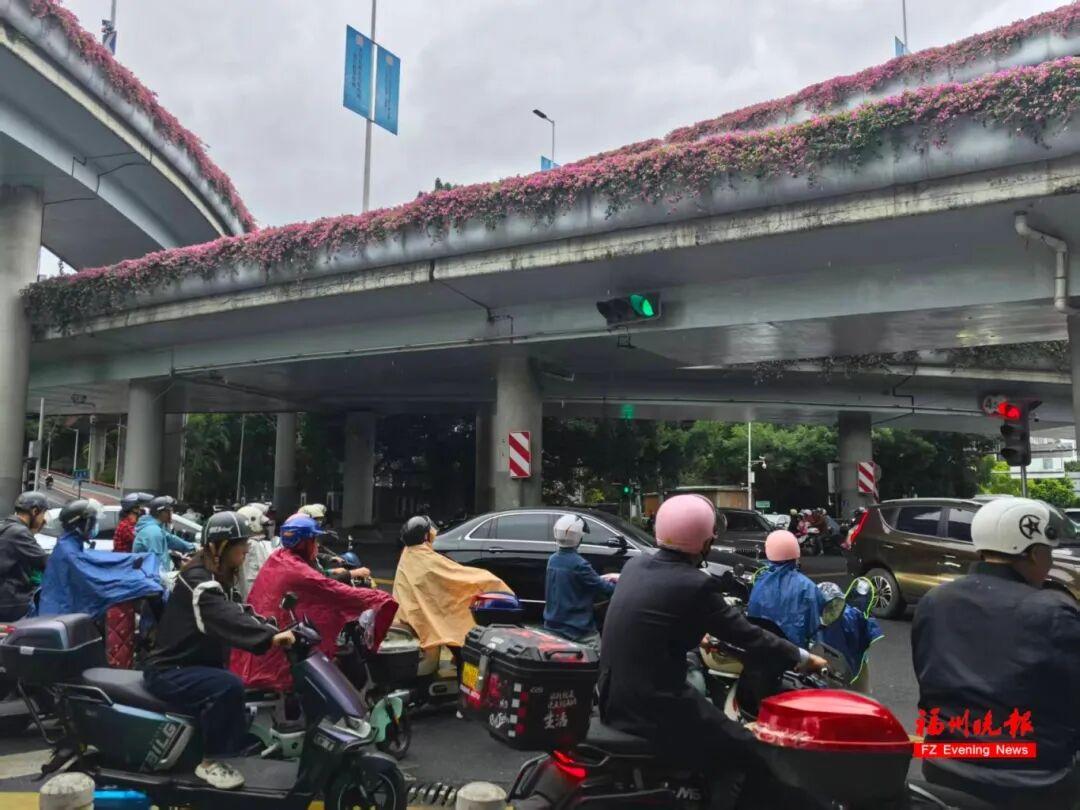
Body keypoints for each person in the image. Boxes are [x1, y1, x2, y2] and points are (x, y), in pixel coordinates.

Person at [599, 495, 826, 801]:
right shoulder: (695, 584)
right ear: (704, 541)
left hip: (614, 698)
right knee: (746, 748)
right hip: (656, 704)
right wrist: (802, 657)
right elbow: (747, 635)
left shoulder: (636, 565)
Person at [912, 497, 1080, 809]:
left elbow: (928, 677)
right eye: (1047, 553)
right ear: (1030, 553)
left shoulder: (934, 601)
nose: (1050, 563)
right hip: (1034, 779)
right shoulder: (1053, 611)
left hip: (943, 767)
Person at [144, 511, 295, 791]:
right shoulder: (200, 582)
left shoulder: (215, 578)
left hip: (190, 663)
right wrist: (269, 638)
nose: (246, 550)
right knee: (228, 686)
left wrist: (273, 626)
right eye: (241, 545)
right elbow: (226, 617)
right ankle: (211, 762)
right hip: (169, 671)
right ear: (221, 547)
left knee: (232, 685)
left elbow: (238, 609)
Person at [231, 514, 397, 692]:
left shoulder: (280, 557)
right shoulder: (296, 568)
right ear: (304, 543)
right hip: (280, 653)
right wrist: (379, 598)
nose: (316, 545)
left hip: (272, 636)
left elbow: (319, 576)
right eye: (314, 540)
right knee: (345, 660)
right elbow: (332, 589)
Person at [392, 515, 511, 655]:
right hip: (426, 610)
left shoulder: (409, 554)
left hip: (417, 610)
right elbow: (455, 575)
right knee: (458, 620)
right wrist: (487, 579)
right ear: (425, 536)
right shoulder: (424, 557)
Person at [35, 499, 164, 619]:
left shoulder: (69, 544)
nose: (94, 526)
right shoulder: (70, 552)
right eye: (92, 522)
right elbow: (98, 580)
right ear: (82, 524)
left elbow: (101, 561)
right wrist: (139, 583)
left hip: (59, 610)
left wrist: (139, 561)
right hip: (62, 614)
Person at [543, 514, 616, 648]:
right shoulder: (579, 564)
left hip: (552, 625)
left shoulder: (553, 560)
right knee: (599, 658)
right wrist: (620, 585)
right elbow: (604, 588)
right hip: (577, 630)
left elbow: (574, 580)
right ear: (578, 537)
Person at [746, 529, 824, 648]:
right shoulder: (807, 586)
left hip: (762, 649)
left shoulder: (759, 582)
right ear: (796, 552)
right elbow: (816, 627)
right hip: (796, 654)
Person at [106, 492, 154, 668]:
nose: (140, 514)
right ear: (131, 511)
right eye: (137, 511)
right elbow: (142, 540)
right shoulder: (127, 527)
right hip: (125, 574)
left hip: (128, 572)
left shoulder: (129, 525)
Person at [815, 580, 882, 693]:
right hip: (840, 666)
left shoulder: (850, 617)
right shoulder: (813, 622)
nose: (834, 610)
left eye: (837, 605)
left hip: (851, 665)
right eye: (830, 607)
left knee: (859, 697)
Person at [0, 492, 50, 621]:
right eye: (43, 514)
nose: (44, 519)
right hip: (11, 601)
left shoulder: (8, 526)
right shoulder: (19, 532)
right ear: (34, 511)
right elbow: (45, 562)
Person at [134, 496, 196, 573]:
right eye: (169, 510)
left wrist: (194, 547)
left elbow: (171, 540)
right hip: (151, 580)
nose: (172, 513)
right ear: (161, 512)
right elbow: (158, 564)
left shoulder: (157, 528)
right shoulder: (153, 532)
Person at [235, 504, 274, 599]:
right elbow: (264, 571)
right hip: (254, 599)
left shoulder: (241, 544)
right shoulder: (253, 545)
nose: (264, 529)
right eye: (262, 525)